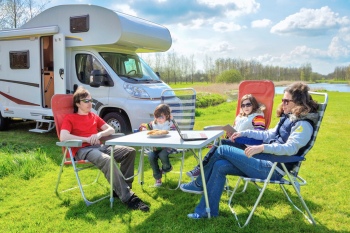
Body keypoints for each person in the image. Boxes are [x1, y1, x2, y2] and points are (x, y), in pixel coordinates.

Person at [180, 82, 319, 219]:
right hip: (263, 160)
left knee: (222, 149)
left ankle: (199, 183)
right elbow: (268, 134)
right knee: (219, 165)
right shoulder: (288, 118)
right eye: (282, 100)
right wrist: (245, 133)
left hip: (273, 169)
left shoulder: (304, 125)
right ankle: (206, 212)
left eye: (286, 101)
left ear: (299, 102)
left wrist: (262, 147)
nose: (283, 104)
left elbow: (290, 148)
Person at [60, 86, 149, 212]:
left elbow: (111, 129)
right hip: (83, 150)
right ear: (77, 103)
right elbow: (63, 136)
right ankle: (129, 198)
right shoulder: (70, 118)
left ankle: (122, 189)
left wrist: (99, 135)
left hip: (100, 146)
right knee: (107, 160)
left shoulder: (93, 116)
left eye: (91, 100)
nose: (90, 103)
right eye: (86, 101)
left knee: (129, 151)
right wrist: (86, 139)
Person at [186, 94, 266, 179]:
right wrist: (229, 135)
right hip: (236, 144)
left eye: (248, 104)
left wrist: (238, 138)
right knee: (218, 153)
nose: (245, 107)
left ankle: (200, 168)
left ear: (253, 105)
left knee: (220, 143)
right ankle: (202, 175)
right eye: (243, 105)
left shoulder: (258, 117)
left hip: (247, 148)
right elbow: (235, 132)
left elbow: (259, 136)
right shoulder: (240, 117)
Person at [139, 104, 176, 187]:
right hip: (155, 147)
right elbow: (142, 126)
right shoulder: (153, 124)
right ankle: (157, 178)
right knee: (151, 156)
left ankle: (167, 168)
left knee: (162, 154)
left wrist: (172, 120)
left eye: (161, 117)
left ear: (167, 116)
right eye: (157, 117)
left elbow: (176, 132)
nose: (159, 119)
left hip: (168, 147)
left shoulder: (170, 124)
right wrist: (143, 129)